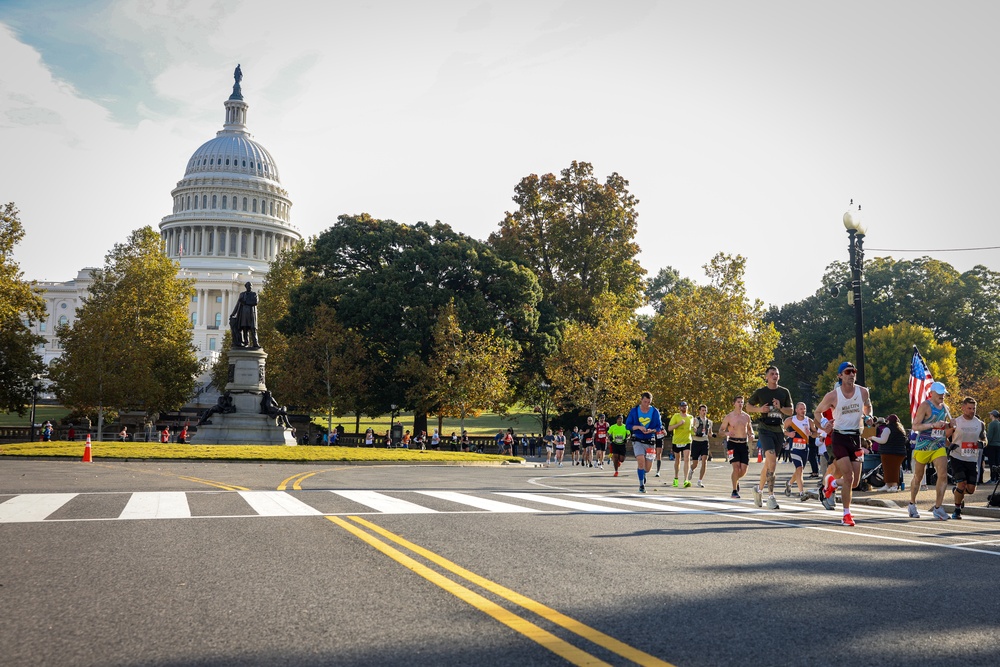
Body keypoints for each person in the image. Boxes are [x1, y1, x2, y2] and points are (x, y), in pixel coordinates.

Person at [814, 361, 872, 526]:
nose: (851, 374)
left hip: (856, 437)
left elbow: (868, 406)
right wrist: (824, 423)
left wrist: (868, 416)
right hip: (839, 437)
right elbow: (817, 412)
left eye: (853, 371)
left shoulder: (863, 392)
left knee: (855, 482)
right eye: (847, 372)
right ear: (840, 375)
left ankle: (832, 483)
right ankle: (846, 514)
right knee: (848, 476)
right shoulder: (833, 395)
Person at [748, 366, 794, 509]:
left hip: (778, 430)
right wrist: (760, 409)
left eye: (777, 374)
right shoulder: (761, 392)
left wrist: (780, 407)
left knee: (769, 464)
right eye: (772, 374)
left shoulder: (784, 392)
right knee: (772, 461)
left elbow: (791, 411)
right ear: (766, 377)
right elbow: (748, 407)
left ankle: (758, 490)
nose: (775, 376)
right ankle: (771, 496)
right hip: (765, 429)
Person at [907, 381, 952, 520]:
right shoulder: (925, 406)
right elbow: (915, 426)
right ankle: (912, 503)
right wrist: (933, 425)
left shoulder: (945, 408)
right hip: (923, 445)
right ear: (932, 393)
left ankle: (938, 507)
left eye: (943, 394)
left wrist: (950, 425)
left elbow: (944, 427)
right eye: (939, 394)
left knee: (943, 475)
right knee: (918, 477)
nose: (942, 396)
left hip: (938, 445)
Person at [948, 397, 986, 519]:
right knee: (962, 483)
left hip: (972, 458)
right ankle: (957, 510)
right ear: (963, 408)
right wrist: (950, 445)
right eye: (969, 408)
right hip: (957, 456)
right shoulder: (956, 422)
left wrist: (982, 443)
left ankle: (957, 493)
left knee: (970, 489)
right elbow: (944, 436)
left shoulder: (980, 424)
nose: (972, 411)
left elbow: (984, 439)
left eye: (974, 408)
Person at [626, 391, 662, 493]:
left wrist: (652, 430)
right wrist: (638, 427)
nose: (646, 404)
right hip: (638, 439)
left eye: (648, 402)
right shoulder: (634, 411)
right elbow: (628, 425)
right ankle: (641, 485)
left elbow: (659, 426)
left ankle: (643, 473)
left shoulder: (655, 411)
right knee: (640, 461)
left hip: (650, 441)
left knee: (647, 468)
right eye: (645, 402)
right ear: (641, 400)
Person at [719, 396, 753, 498]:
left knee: (743, 470)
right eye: (738, 402)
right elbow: (721, 431)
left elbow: (750, 429)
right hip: (732, 444)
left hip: (743, 444)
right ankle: (734, 491)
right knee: (736, 467)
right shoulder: (729, 417)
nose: (740, 404)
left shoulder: (746, 417)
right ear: (734, 403)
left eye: (742, 402)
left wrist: (751, 435)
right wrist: (726, 433)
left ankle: (736, 480)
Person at [783, 402, 816, 501]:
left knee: (799, 470)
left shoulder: (809, 421)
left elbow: (816, 433)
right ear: (796, 410)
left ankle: (789, 483)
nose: (803, 411)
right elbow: (781, 429)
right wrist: (788, 434)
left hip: (805, 449)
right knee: (800, 469)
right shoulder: (790, 420)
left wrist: (810, 434)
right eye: (801, 409)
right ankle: (802, 493)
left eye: (804, 409)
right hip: (794, 448)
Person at [870, 414, 908, 492]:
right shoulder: (901, 430)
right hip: (900, 452)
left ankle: (893, 485)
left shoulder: (887, 429)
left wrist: (873, 438)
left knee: (888, 469)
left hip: (888, 452)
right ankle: (888, 484)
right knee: (895, 469)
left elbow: (883, 440)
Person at [668, 401, 694, 487]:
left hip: (687, 440)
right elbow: (669, 428)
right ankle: (676, 478)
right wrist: (679, 424)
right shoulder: (676, 416)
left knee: (687, 459)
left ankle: (686, 480)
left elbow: (692, 429)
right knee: (677, 460)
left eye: (685, 406)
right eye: (682, 406)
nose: (684, 407)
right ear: (679, 408)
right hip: (677, 441)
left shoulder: (691, 417)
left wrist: (694, 430)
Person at [229, 281, 260, 349]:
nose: (249, 287)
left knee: (253, 329)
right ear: (246, 287)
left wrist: (245, 302)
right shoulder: (242, 294)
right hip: (243, 315)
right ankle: (246, 343)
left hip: (251, 314)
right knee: (245, 329)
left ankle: (255, 343)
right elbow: (238, 305)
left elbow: (255, 302)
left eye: (250, 286)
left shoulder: (254, 294)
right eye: (248, 286)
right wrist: (233, 314)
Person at [688, 405, 712, 487]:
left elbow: (710, 433)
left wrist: (714, 435)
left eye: (705, 410)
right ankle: (691, 469)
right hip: (696, 442)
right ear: (699, 411)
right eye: (702, 410)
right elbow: (691, 429)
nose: (704, 412)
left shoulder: (709, 422)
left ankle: (700, 480)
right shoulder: (695, 420)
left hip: (705, 442)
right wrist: (694, 430)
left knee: (704, 461)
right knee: (695, 463)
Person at [986, 410, 1000, 483]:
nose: (990, 415)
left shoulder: (992, 424)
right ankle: (997, 477)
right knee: (997, 462)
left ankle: (992, 478)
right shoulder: (999, 424)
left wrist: (986, 443)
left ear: (993, 415)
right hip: (998, 445)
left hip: (992, 445)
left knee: (992, 462)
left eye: (991, 414)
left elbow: (990, 436)